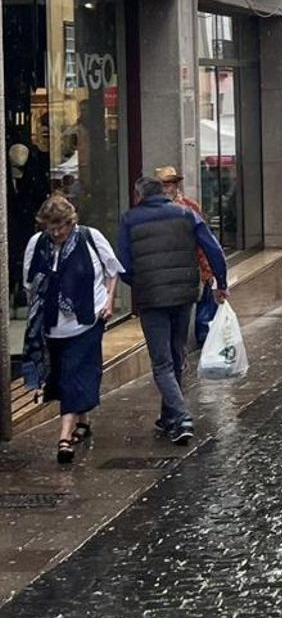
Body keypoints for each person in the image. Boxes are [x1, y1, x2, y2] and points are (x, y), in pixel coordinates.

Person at [117, 176, 228, 446]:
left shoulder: (130, 219)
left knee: (162, 362)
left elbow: (124, 263)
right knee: (176, 355)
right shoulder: (186, 213)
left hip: (152, 298)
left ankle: (180, 418)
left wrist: (140, 282)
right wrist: (220, 282)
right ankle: (169, 418)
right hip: (183, 295)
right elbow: (213, 248)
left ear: (139, 194)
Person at [22, 196, 122, 463]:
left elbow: (113, 270)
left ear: (70, 222)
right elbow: (29, 283)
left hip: (86, 321)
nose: (56, 233)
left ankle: (64, 438)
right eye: (51, 228)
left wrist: (109, 302)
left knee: (73, 376)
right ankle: (83, 422)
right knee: (64, 375)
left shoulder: (90, 238)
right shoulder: (37, 244)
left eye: (61, 227)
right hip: (52, 326)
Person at [155, 166, 218, 346]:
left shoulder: (190, 207)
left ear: (176, 185)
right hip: (164, 272)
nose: (165, 189)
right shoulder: (150, 210)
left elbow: (203, 242)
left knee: (200, 316)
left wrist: (207, 269)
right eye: (162, 185)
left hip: (190, 267)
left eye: (168, 185)